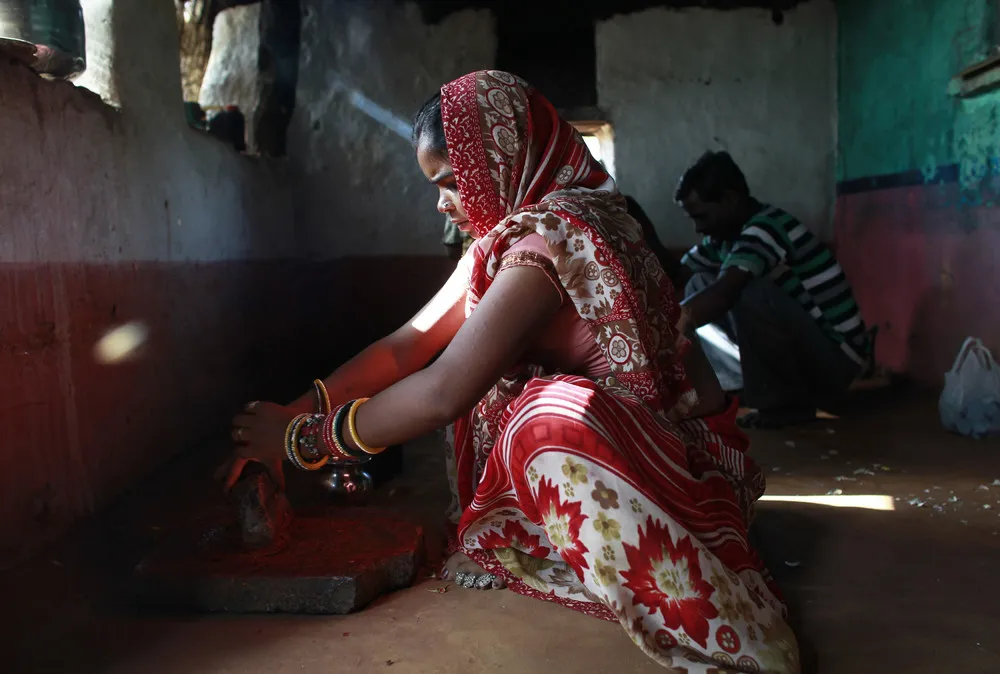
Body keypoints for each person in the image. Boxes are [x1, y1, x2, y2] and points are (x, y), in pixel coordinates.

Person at [221, 72, 799, 672]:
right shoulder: (512, 238)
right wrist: (292, 410)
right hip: (643, 452)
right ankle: (535, 536)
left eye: (451, 184)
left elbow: (446, 389)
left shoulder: (555, 235)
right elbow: (405, 347)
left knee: (545, 414)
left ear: (499, 162)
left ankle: (617, 562)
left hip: (650, 464)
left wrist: (303, 442)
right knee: (529, 400)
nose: (442, 204)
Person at [667, 151, 870, 429]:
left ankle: (783, 407)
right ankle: (740, 386)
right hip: (811, 353)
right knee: (698, 284)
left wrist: (664, 330)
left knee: (749, 292)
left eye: (702, 216)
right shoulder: (723, 237)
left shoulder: (767, 227)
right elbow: (676, 276)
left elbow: (724, 294)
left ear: (729, 200)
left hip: (838, 360)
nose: (698, 228)